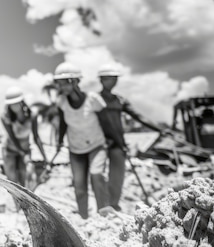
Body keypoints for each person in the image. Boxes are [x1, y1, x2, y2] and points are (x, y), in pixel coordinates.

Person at [96, 63, 164, 211]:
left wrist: (159, 129)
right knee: (98, 175)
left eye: (115, 79)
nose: (114, 82)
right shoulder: (94, 100)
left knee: (117, 176)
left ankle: (113, 205)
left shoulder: (120, 100)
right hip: (100, 143)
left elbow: (139, 116)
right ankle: (102, 206)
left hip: (117, 144)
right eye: (110, 78)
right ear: (102, 80)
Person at [53, 62, 113, 219]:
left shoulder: (93, 100)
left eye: (64, 83)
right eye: (59, 83)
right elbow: (62, 123)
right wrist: (59, 142)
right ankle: (84, 219)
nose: (62, 87)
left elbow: (106, 122)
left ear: (74, 81)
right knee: (79, 186)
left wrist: (116, 141)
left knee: (97, 174)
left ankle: (104, 216)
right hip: (75, 149)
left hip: (97, 146)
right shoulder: (62, 102)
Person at [0, 86, 45, 190]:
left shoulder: (32, 115)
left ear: (22, 102)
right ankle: (17, 206)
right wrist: (22, 153)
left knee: (26, 178)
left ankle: (26, 205)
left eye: (16, 103)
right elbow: (12, 137)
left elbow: (36, 137)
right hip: (9, 150)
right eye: (11, 104)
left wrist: (44, 157)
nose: (14, 106)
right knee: (12, 182)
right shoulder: (5, 117)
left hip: (25, 149)